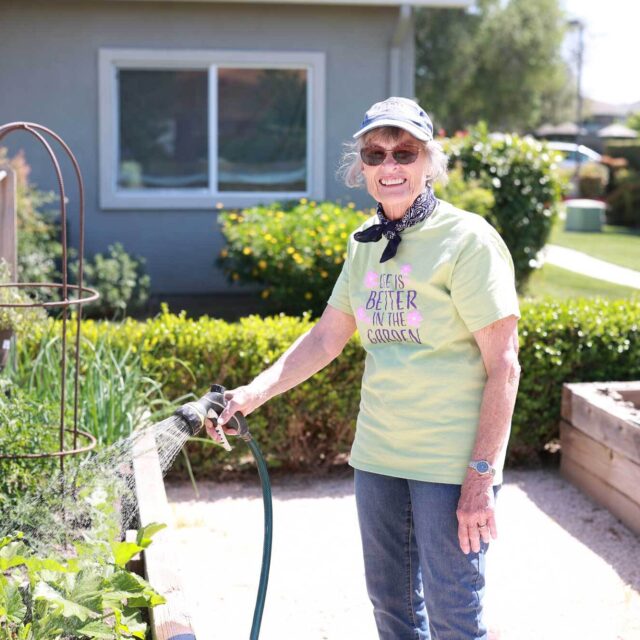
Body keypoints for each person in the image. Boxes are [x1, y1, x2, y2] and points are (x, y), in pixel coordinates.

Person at [208, 96, 521, 640]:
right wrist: (251, 393)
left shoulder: (467, 240)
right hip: (378, 458)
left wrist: (480, 475)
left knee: (454, 615)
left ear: (429, 161)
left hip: (449, 465)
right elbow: (328, 335)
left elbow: (505, 364)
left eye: (405, 151)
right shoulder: (364, 243)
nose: (390, 165)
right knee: (392, 608)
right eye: (376, 154)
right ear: (362, 168)